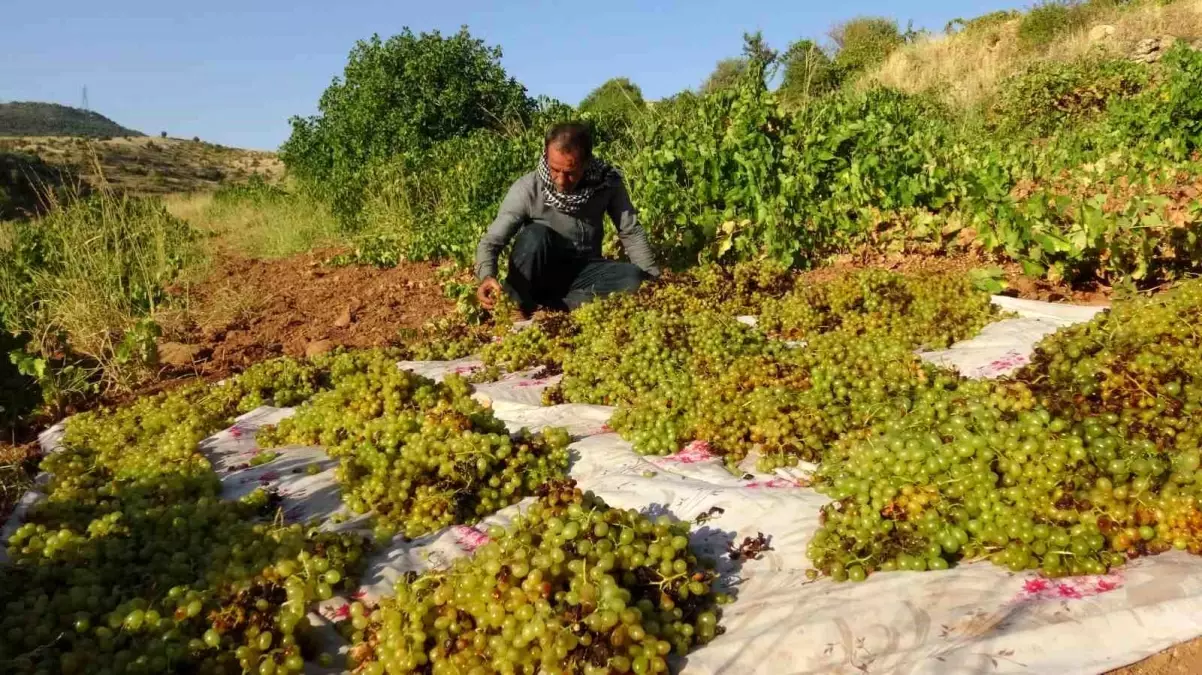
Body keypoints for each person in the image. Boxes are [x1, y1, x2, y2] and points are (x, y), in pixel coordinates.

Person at [474, 122, 661, 316]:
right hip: (540, 276)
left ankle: (554, 306)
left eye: (570, 173)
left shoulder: (606, 183)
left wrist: (653, 279)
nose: (561, 181)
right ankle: (517, 306)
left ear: (587, 162)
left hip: (584, 272)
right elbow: (491, 242)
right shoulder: (527, 189)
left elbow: (630, 230)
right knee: (534, 235)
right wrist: (487, 276)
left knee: (635, 278)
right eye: (555, 170)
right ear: (546, 157)